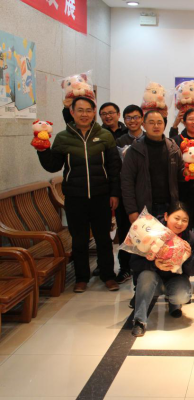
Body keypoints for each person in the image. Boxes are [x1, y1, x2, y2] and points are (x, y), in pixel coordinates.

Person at [36, 96, 120, 293]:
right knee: (79, 239)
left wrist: (114, 193)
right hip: (75, 197)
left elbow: (114, 167)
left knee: (103, 238)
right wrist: (42, 149)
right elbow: (53, 166)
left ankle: (108, 275)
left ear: (94, 112)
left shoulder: (105, 136)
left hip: (101, 196)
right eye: (80, 110)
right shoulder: (63, 138)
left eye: (88, 110)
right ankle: (81, 278)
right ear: (72, 112)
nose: (84, 114)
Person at [130, 202, 194, 337]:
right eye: (176, 218)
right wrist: (155, 264)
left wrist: (188, 256)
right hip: (152, 278)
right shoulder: (150, 232)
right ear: (166, 216)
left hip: (176, 279)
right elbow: (134, 263)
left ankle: (174, 303)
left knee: (182, 295)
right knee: (146, 276)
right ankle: (139, 321)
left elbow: (193, 271)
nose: (180, 223)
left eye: (184, 220)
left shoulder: (190, 238)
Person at [121, 110, 184, 222]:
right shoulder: (135, 150)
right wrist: (132, 210)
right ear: (144, 125)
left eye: (159, 122)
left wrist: (189, 172)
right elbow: (127, 182)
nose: (156, 126)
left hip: (170, 206)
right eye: (151, 123)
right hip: (144, 207)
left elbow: (180, 177)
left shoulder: (173, 148)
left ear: (164, 125)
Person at [114, 104, 145, 284]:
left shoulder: (149, 138)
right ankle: (125, 268)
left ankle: (145, 268)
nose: (133, 121)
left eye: (136, 117)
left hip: (145, 193)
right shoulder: (119, 141)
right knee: (125, 231)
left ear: (142, 119)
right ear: (124, 120)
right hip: (125, 192)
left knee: (145, 233)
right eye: (129, 118)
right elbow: (115, 168)